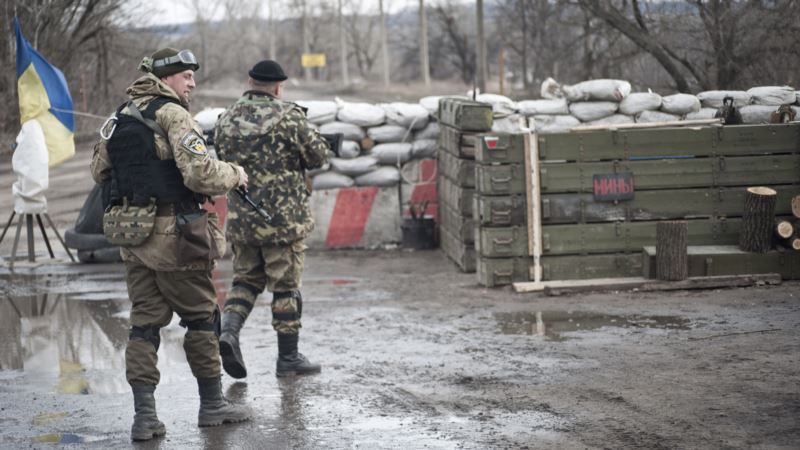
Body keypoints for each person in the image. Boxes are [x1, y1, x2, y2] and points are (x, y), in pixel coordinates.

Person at [90, 48, 252, 441]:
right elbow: (200, 174)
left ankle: (145, 418)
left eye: (193, 76)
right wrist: (235, 173)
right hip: (177, 236)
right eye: (184, 76)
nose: (191, 82)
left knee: (144, 325)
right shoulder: (173, 114)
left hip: (134, 237)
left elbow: (99, 171)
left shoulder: (117, 118)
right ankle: (213, 405)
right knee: (200, 319)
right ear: (164, 79)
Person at [214, 59, 329, 380]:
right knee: (286, 286)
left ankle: (228, 332)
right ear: (278, 87)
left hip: (243, 219)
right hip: (283, 222)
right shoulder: (290, 118)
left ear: (250, 82)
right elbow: (318, 156)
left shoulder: (226, 119)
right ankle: (288, 358)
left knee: (245, 281)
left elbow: (222, 161)